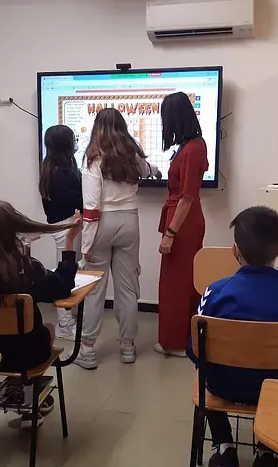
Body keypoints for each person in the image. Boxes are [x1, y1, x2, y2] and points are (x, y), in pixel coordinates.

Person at [187, 207, 278, 467]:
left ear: (235, 250)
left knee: (204, 370)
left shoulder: (214, 292)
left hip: (223, 387)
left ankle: (224, 445)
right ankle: (267, 450)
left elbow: (194, 351)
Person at [0, 201, 82, 428]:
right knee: (46, 329)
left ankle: (30, 399)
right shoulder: (25, 269)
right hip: (23, 357)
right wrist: (69, 242)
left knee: (10, 335)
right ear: (11, 234)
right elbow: (61, 287)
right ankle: (31, 400)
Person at [76, 108, 161, 370]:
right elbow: (149, 169)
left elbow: (90, 208)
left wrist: (86, 246)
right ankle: (127, 347)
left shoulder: (93, 158)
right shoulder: (130, 154)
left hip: (101, 224)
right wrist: (156, 172)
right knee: (127, 289)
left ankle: (88, 350)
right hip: (129, 223)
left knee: (94, 291)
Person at [156, 92, 209, 357]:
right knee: (176, 281)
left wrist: (170, 233)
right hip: (180, 218)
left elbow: (187, 197)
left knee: (178, 283)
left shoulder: (194, 148)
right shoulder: (190, 145)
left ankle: (178, 342)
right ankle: (176, 338)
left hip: (183, 223)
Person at [39, 124, 84, 341]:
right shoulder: (62, 172)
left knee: (68, 269)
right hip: (67, 226)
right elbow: (76, 200)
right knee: (65, 271)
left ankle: (68, 319)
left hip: (61, 225)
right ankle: (65, 325)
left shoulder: (50, 167)